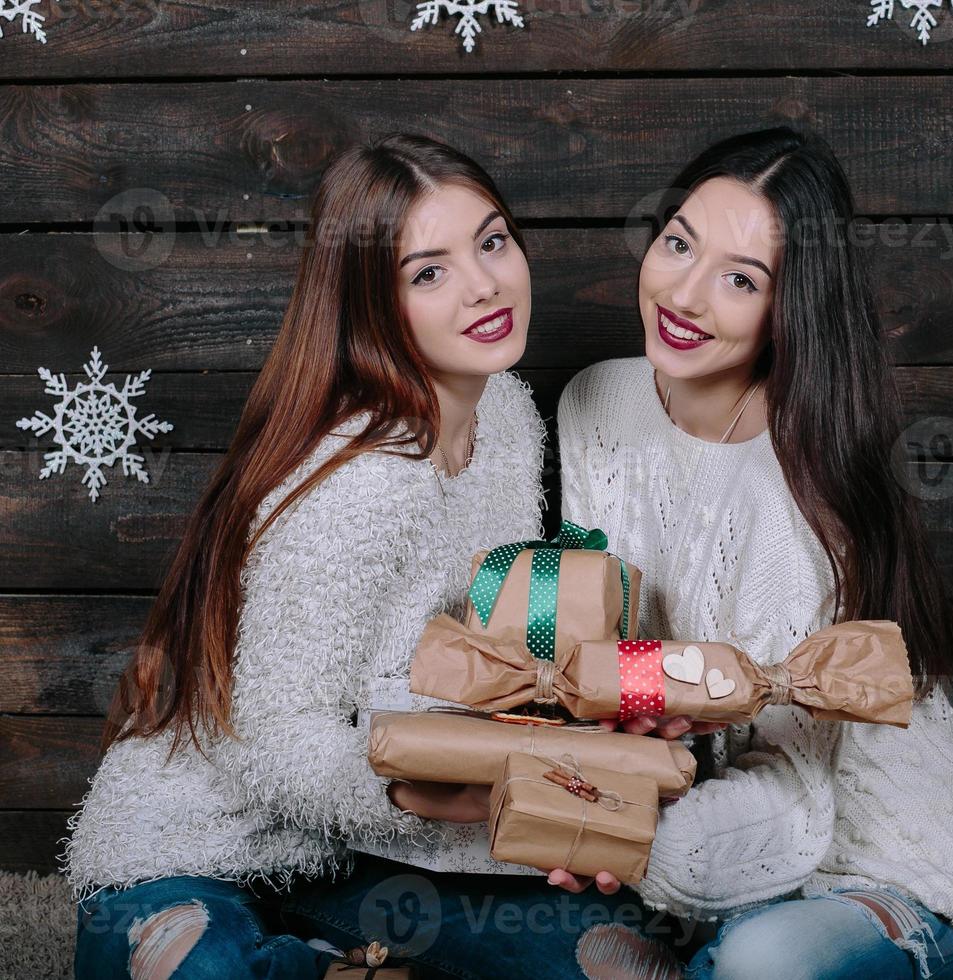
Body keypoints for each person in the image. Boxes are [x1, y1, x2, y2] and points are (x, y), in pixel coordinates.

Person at [63, 133, 650, 980]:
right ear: (371, 302)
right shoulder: (369, 478)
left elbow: (482, 652)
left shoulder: (510, 417)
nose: (485, 285)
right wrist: (426, 796)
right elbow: (269, 741)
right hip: (211, 841)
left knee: (605, 955)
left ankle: (338, 950)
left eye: (491, 242)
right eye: (428, 272)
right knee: (198, 968)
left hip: (362, 850)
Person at [553, 126, 953, 979]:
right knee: (514, 916)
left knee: (765, 961)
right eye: (679, 244)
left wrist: (626, 837)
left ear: (790, 310)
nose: (687, 294)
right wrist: (585, 774)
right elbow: (602, 638)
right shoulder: (597, 401)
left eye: (741, 280)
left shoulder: (798, 497)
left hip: (880, 878)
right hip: (716, 844)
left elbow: (797, 801)